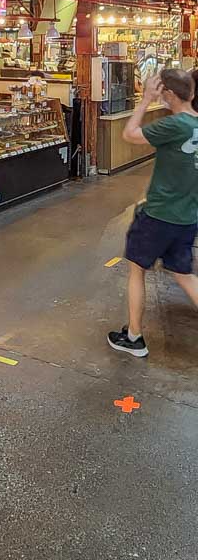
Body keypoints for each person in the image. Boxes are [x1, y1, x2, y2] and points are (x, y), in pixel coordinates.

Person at [108, 69, 198, 357]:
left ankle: (134, 337)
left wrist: (146, 100)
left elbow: (130, 134)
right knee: (184, 275)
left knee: (136, 270)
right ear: (192, 92)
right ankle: (132, 335)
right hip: (187, 216)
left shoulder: (175, 125)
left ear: (168, 94)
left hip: (159, 214)